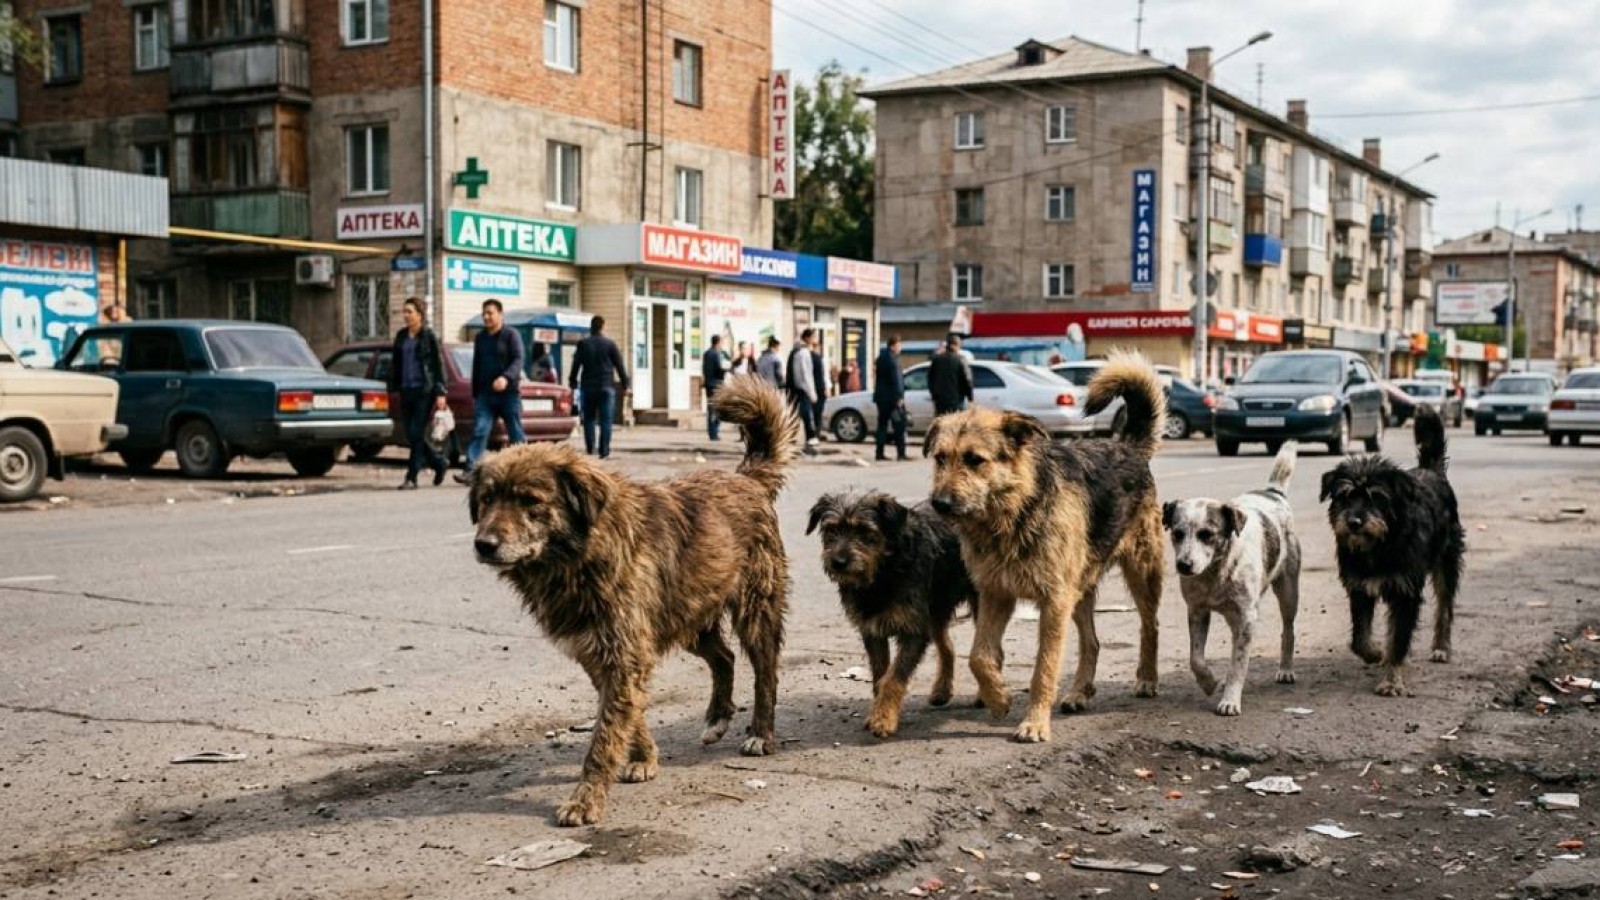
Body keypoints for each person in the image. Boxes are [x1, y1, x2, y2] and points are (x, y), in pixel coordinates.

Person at [455, 299, 526, 483]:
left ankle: (526, 468)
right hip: (486, 395)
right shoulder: (481, 338)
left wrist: (506, 377)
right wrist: (476, 393)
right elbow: (477, 365)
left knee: (515, 432)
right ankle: (471, 470)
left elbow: (518, 360)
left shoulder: (511, 335)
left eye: (490, 313)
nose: (486, 317)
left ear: (500, 314)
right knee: (480, 430)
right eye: (484, 313)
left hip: (508, 394)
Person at [389, 298, 450, 490]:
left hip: (424, 391)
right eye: (404, 312)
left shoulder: (429, 336)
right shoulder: (401, 336)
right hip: (406, 390)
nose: (406, 315)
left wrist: (441, 391)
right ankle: (439, 462)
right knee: (411, 434)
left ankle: (411, 477)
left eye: (410, 312)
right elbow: (395, 364)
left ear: (420, 315)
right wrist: (392, 387)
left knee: (416, 432)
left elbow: (437, 365)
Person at [568, 314, 631, 459]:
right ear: (603, 327)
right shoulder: (610, 344)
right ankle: (604, 450)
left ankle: (590, 447)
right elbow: (619, 366)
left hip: (588, 387)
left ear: (591, 327)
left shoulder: (583, 344)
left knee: (589, 418)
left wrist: (572, 382)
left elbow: (576, 364)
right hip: (606, 387)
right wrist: (625, 385)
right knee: (606, 420)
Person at [873, 335, 908, 462]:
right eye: (899, 345)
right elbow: (897, 379)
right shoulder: (894, 360)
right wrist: (899, 396)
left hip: (881, 398)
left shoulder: (881, 357)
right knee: (899, 425)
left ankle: (879, 452)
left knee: (882, 425)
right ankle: (901, 453)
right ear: (893, 345)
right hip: (892, 399)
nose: (900, 348)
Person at [787, 328, 820, 454]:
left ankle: (790, 443)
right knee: (807, 418)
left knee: (795, 417)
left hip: (795, 389)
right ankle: (809, 444)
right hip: (802, 390)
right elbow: (806, 375)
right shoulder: (803, 353)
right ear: (807, 338)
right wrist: (812, 392)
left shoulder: (795, 351)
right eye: (813, 337)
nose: (815, 339)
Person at [928, 333, 974, 417]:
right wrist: (970, 397)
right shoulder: (960, 360)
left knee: (942, 425)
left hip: (940, 402)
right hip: (957, 401)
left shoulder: (937, 360)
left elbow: (930, 379)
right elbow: (967, 380)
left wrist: (934, 395)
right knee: (956, 425)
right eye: (959, 345)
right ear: (955, 345)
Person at [701, 333, 730, 441]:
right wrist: (727, 370)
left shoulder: (707, 353)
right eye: (722, 342)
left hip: (708, 384)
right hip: (717, 384)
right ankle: (714, 432)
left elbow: (704, 368)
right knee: (717, 409)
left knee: (710, 408)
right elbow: (719, 368)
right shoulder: (717, 354)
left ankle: (711, 432)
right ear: (718, 342)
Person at [810, 331, 828, 441]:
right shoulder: (818, 359)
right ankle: (816, 432)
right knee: (818, 413)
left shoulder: (814, 358)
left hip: (815, 388)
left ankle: (816, 432)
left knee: (815, 412)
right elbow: (822, 375)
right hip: (819, 388)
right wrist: (826, 388)